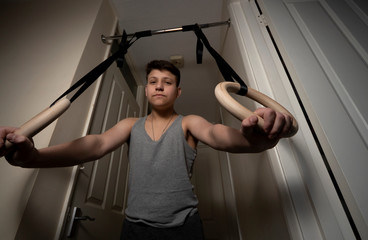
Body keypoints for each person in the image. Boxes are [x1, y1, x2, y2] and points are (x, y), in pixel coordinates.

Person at [0, 60, 293, 239]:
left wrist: (254, 142)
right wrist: (34, 157)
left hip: (184, 227)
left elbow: (216, 134)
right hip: (134, 228)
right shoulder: (130, 124)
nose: (159, 86)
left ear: (178, 92)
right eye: (153, 81)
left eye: (167, 82)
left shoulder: (189, 122)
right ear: (146, 90)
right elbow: (96, 144)